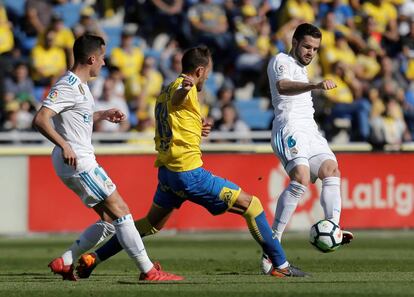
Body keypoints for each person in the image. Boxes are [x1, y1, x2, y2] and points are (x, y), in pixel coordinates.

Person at [75, 46, 307, 279]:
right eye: (208, 72)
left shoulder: (165, 91)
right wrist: (186, 90)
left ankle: (93, 258)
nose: (208, 77)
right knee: (253, 206)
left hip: (168, 173)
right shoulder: (182, 88)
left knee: (150, 224)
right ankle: (281, 265)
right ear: (200, 70)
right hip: (189, 173)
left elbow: (174, 116)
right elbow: (179, 98)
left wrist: (197, 126)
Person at [32, 34, 182, 282]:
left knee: (111, 221)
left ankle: (66, 261)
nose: (103, 63)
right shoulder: (67, 85)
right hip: (78, 160)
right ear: (91, 58)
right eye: (102, 58)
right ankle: (149, 271)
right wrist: (64, 144)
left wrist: (101, 114)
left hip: (76, 159)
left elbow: (75, 116)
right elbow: (41, 118)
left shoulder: (80, 86)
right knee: (122, 211)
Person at [263, 23, 354, 271]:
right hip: (288, 128)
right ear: (294, 43)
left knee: (331, 170)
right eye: (306, 46)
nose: (310, 52)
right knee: (301, 179)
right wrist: (314, 86)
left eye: (315, 49)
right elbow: (282, 86)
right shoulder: (280, 60)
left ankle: (333, 227)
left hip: (311, 131)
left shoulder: (304, 68)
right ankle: (272, 247)